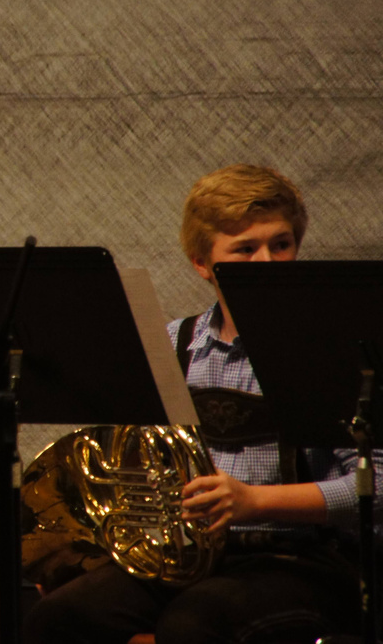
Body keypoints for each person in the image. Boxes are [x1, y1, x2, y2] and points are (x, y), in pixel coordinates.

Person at [23, 163, 381, 644]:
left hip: (303, 558)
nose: (268, 263)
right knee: (58, 616)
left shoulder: (336, 349)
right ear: (201, 263)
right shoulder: (171, 344)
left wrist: (255, 501)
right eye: (245, 249)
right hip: (190, 559)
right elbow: (130, 469)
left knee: (193, 624)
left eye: (281, 244)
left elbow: (376, 485)